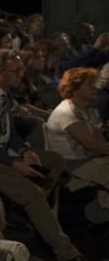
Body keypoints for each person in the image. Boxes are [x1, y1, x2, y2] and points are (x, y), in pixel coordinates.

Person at [0, 50, 108, 261]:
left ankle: (27, 209)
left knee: (54, 161)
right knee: (32, 194)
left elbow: (8, 132)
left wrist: (25, 150)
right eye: (15, 72)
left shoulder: (5, 94)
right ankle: (68, 255)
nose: (20, 76)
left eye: (21, 71)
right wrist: (14, 163)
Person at [46, 67, 109, 226]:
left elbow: (99, 142)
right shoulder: (66, 112)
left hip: (87, 160)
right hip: (71, 167)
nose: (95, 87)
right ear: (75, 87)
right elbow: (90, 144)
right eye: (89, 84)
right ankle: (99, 215)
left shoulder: (87, 110)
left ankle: (99, 214)